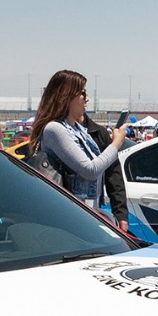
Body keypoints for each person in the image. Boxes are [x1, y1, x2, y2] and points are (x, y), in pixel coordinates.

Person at [30, 69, 124, 212]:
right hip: (67, 213)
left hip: (85, 212)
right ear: (66, 96)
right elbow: (90, 170)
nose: (86, 98)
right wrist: (116, 144)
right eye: (82, 93)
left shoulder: (78, 130)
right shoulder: (54, 129)